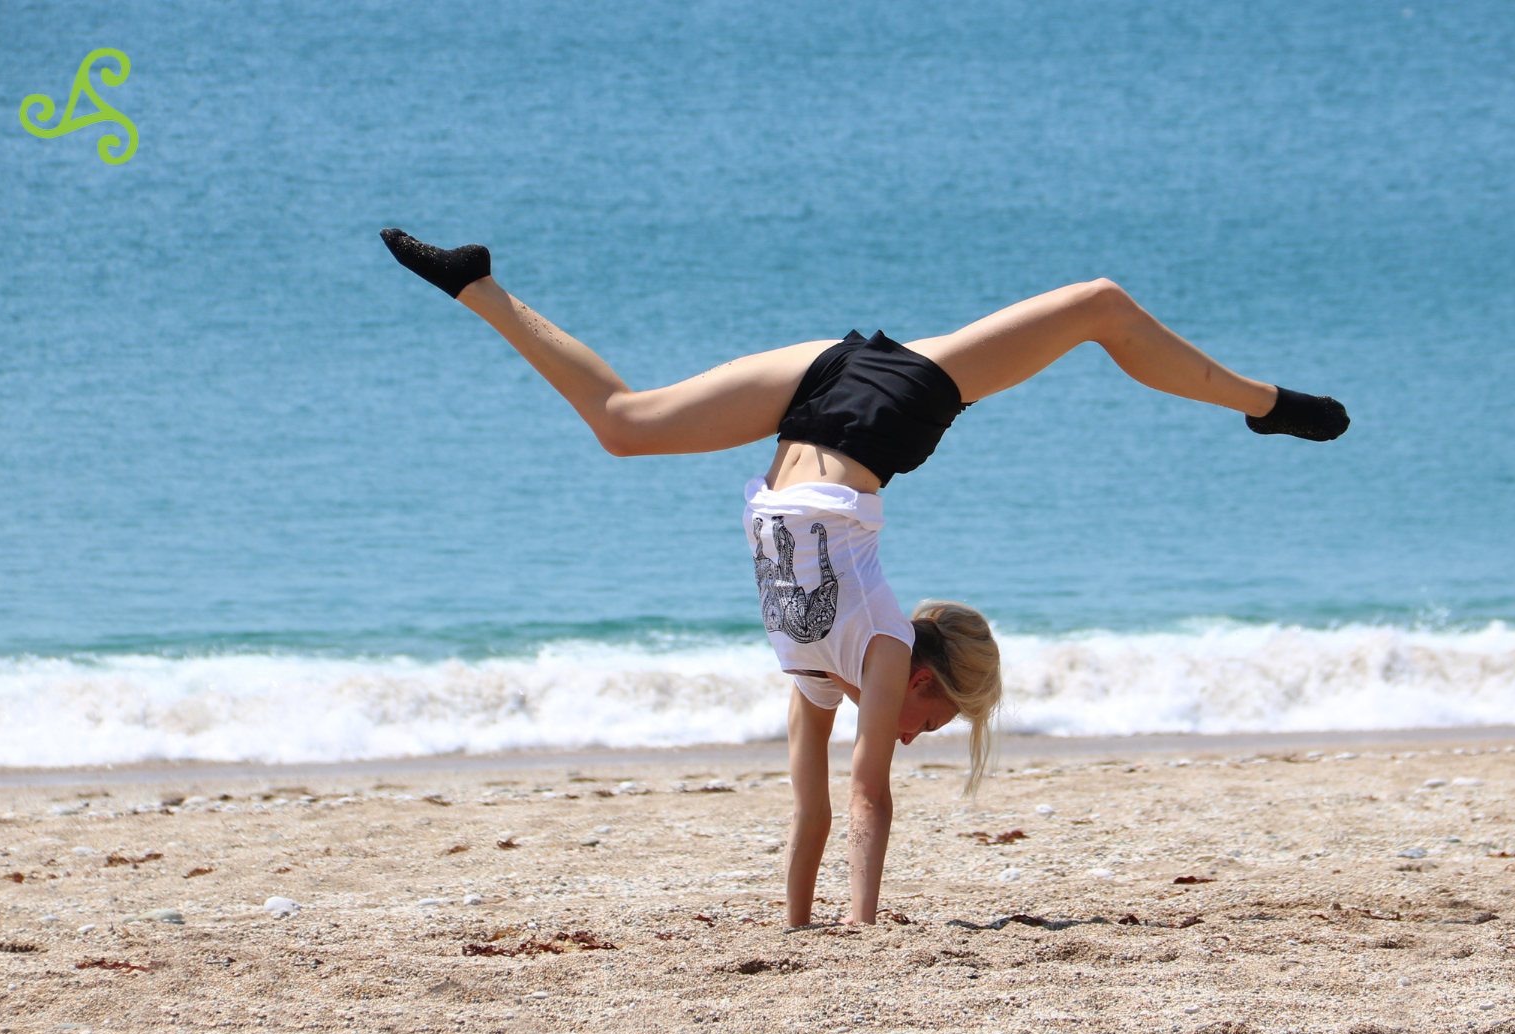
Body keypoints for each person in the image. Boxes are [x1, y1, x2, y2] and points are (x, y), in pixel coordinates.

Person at [378, 229, 1348, 926]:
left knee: (623, 425)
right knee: (1097, 304)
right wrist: (863, 920)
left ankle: (478, 286)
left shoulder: (816, 664)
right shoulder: (877, 646)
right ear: (929, 685)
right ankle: (1262, 403)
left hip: (816, 390)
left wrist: (802, 923)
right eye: (935, 723)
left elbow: (815, 799)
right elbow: (863, 791)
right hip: (882, 413)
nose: (912, 732)